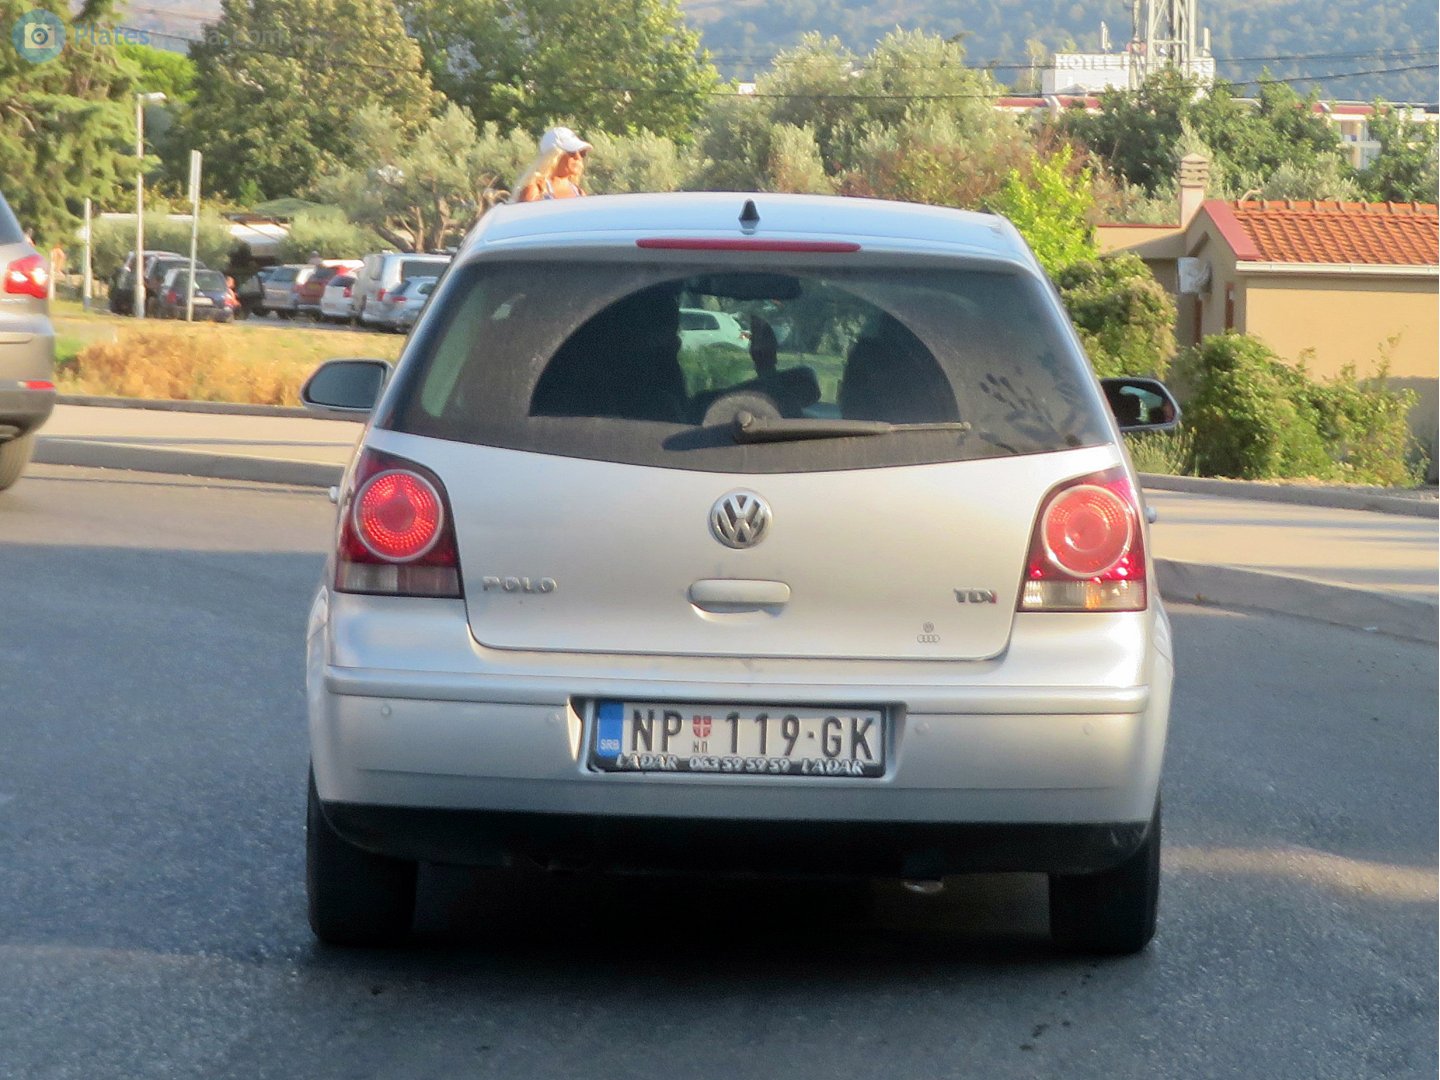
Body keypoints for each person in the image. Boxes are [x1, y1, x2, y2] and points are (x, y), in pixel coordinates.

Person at [511, 127, 592, 203]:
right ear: (553, 156)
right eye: (572, 153)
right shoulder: (536, 191)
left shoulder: (580, 193)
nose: (578, 157)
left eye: (582, 153)